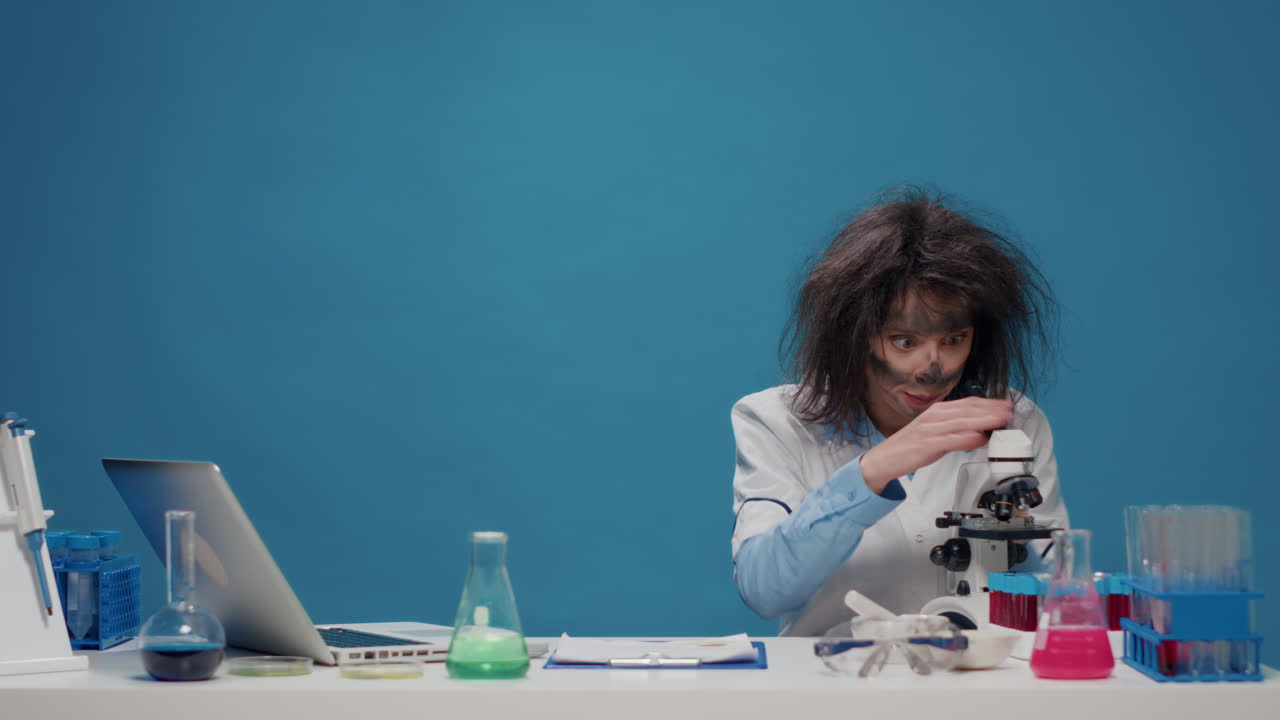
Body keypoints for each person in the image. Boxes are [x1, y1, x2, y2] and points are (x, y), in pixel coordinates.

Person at [730, 186, 1069, 636]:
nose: (934, 369)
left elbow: (1058, 582)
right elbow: (765, 590)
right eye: (904, 342)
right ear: (853, 334)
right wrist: (873, 471)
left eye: (953, 340)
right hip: (837, 686)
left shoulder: (1015, 420)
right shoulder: (777, 421)